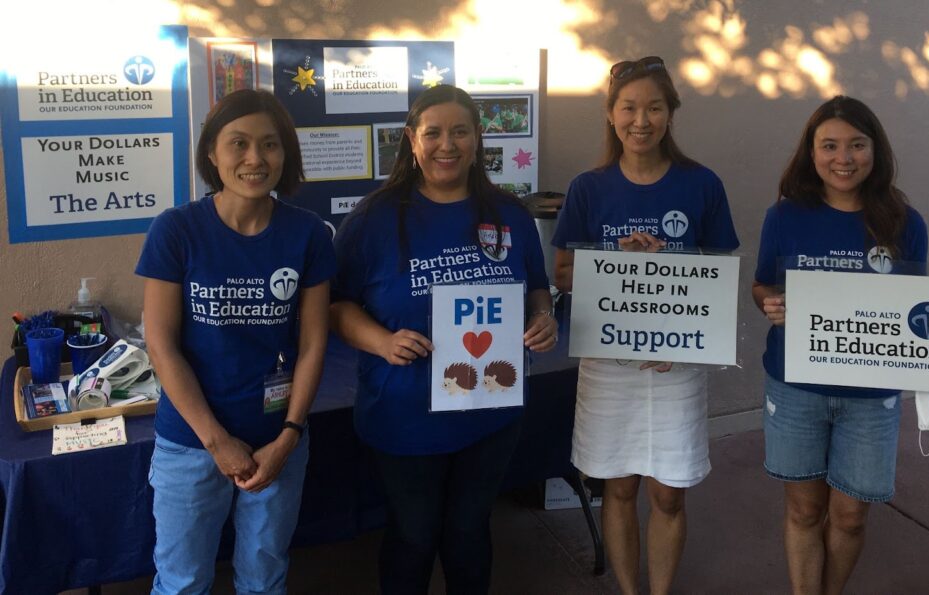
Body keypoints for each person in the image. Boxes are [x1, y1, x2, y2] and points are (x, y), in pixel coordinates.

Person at [752, 95, 929, 595]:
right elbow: (761, 286)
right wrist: (770, 303)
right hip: (797, 387)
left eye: (856, 145)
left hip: (871, 396)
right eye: (830, 146)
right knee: (804, 510)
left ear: (875, 150)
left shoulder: (906, 222)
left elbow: (913, 312)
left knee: (851, 516)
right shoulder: (784, 217)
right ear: (811, 153)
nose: (844, 158)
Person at [330, 84, 557, 594]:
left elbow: (536, 288)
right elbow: (336, 307)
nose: (446, 145)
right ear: (412, 141)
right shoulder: (373, 218)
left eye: (460, 131)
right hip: (404, 415)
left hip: (491, 411)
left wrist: (543, 316)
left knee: (469, 531)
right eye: (433, 133)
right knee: (413, 535)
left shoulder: (510, 214)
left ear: (478, 138)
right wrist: (382, 342)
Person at [551, 56, 739, 595]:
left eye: (654, 107)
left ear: (670, 113)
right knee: (618, 488)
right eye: (629, 108)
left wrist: (674, 317)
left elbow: (722, 274)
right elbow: (562, 271)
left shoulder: (702, 184)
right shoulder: (588, 188)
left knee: (669, 494)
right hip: (610, 365)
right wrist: (616, 259)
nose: (641, 120)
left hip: (676, 364)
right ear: (611, 115)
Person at [136, 89, 335, 594]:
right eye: (238, 143)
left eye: (269, 145)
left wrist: (289, 437)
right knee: (182, 583)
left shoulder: (308, 234)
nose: (255, 159)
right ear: (211, 153)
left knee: (265, 579)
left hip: (278, 442)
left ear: (285, 153)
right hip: (190, 443)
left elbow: (314, 343)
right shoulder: (176, 230)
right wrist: (216, 441)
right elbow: (161, 345)